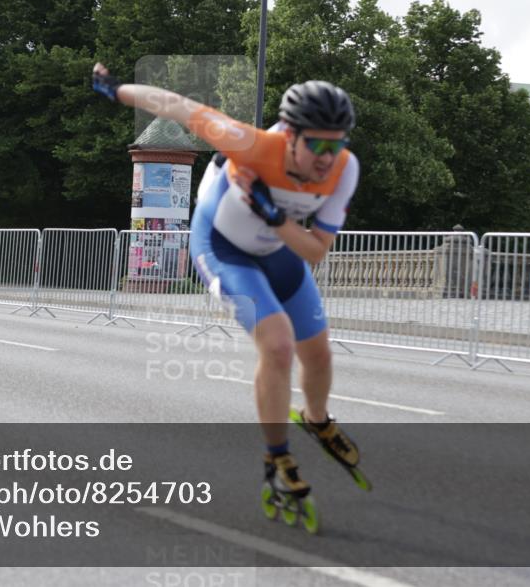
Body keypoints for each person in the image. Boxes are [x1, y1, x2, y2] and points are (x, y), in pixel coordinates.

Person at [92, 63, 361, 500]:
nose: (326, 158)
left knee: (319, 353)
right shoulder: (251, 144)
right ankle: (276, 458)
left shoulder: (345, 169)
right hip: (222, 248)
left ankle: (317, 420)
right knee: (278, 345)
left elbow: (315, 250)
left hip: (276, 247)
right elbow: (177, 106)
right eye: (316, 144)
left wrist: (272, 216)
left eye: (337, 144)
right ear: (289, 136)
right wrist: (115, 89)